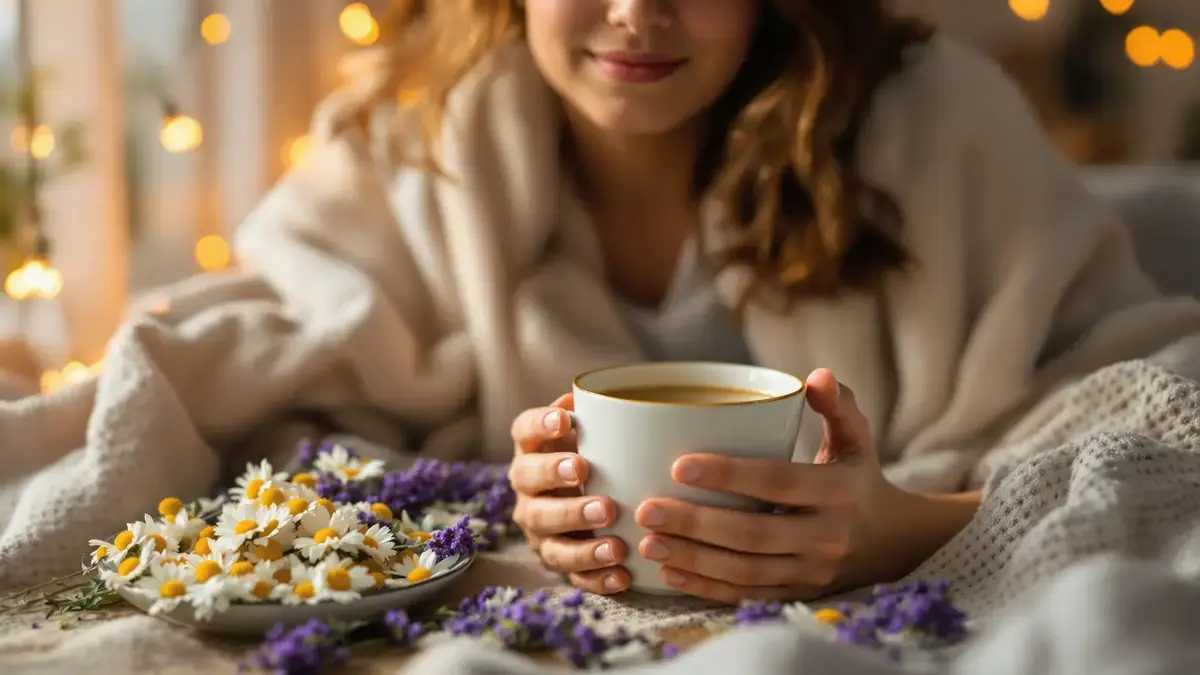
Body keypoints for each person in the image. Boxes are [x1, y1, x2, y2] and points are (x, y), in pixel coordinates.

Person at [270, 0, 1200, 604]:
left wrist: (907, 527)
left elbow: (1165, 421)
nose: (637, 15)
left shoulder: (940, 121)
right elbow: (260, 388)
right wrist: (531, 511)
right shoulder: (410, 145)